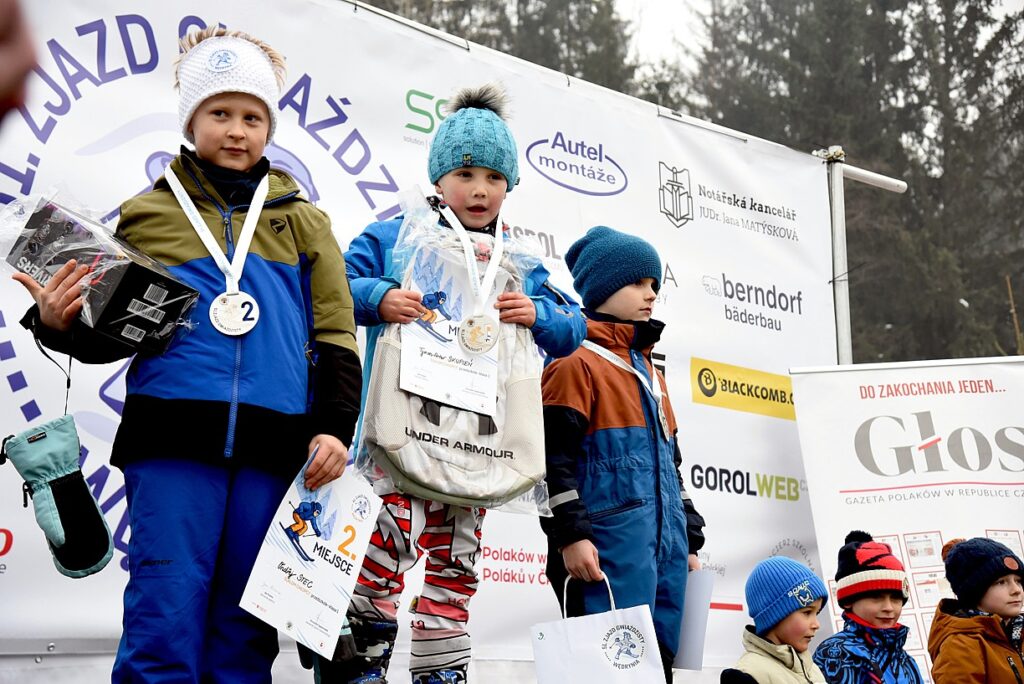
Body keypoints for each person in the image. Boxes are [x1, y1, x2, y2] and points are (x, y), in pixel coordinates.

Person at [13, 27, 361, 682]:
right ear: (190, 120)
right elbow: (114, 333)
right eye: (220, 113)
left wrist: (334, 428)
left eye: (253, 117)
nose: (237, 130)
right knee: (163, 613)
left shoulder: (306, 222)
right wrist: (59, 325)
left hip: (273, 447)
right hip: (169, 441)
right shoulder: (148, 214)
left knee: (243, 631)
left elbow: (337, 334)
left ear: (270, 127)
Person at [319, 83, 585, 684]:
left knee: (456, 568)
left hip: (476, 448)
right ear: (439, 177)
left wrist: (539, 314)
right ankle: (361, 669)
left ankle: (441, 674)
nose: (480, 189)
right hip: (401, 438)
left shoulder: (516, 261)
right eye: (466, 174)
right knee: (381, 554)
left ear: (510, 185)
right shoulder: (396, 238)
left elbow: (573, 327)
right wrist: (380, 296)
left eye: (494, 177)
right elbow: (334, 287)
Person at [539, 226, 706, 683]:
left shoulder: (651, 371)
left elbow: (671, 467)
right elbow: (552, 463)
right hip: (605, 553)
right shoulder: (573, 361)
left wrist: (689, 540)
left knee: (659, 667)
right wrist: (570, 536)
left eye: (654, 284)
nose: (650, 294)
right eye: (636, 282)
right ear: (602, 287)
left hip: (664, 552)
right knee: (607, 671)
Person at [813, 531, 923, 683]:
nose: (889, 607)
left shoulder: (905, 660)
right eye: (876, 597)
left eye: (896, 598)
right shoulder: (836, 654)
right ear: (848, 601)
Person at [928, 537, 1024, 683]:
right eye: (1001, 582)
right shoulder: (960, 645)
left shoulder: (1018, 632)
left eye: (1018, 581)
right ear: (975, 591)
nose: (1016, 590)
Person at [721, 556, 828, 683]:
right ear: (775, 616)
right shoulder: (749, 675)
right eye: (807, 612)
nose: (816, 624)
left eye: (817, 613)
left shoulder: (811, 668)